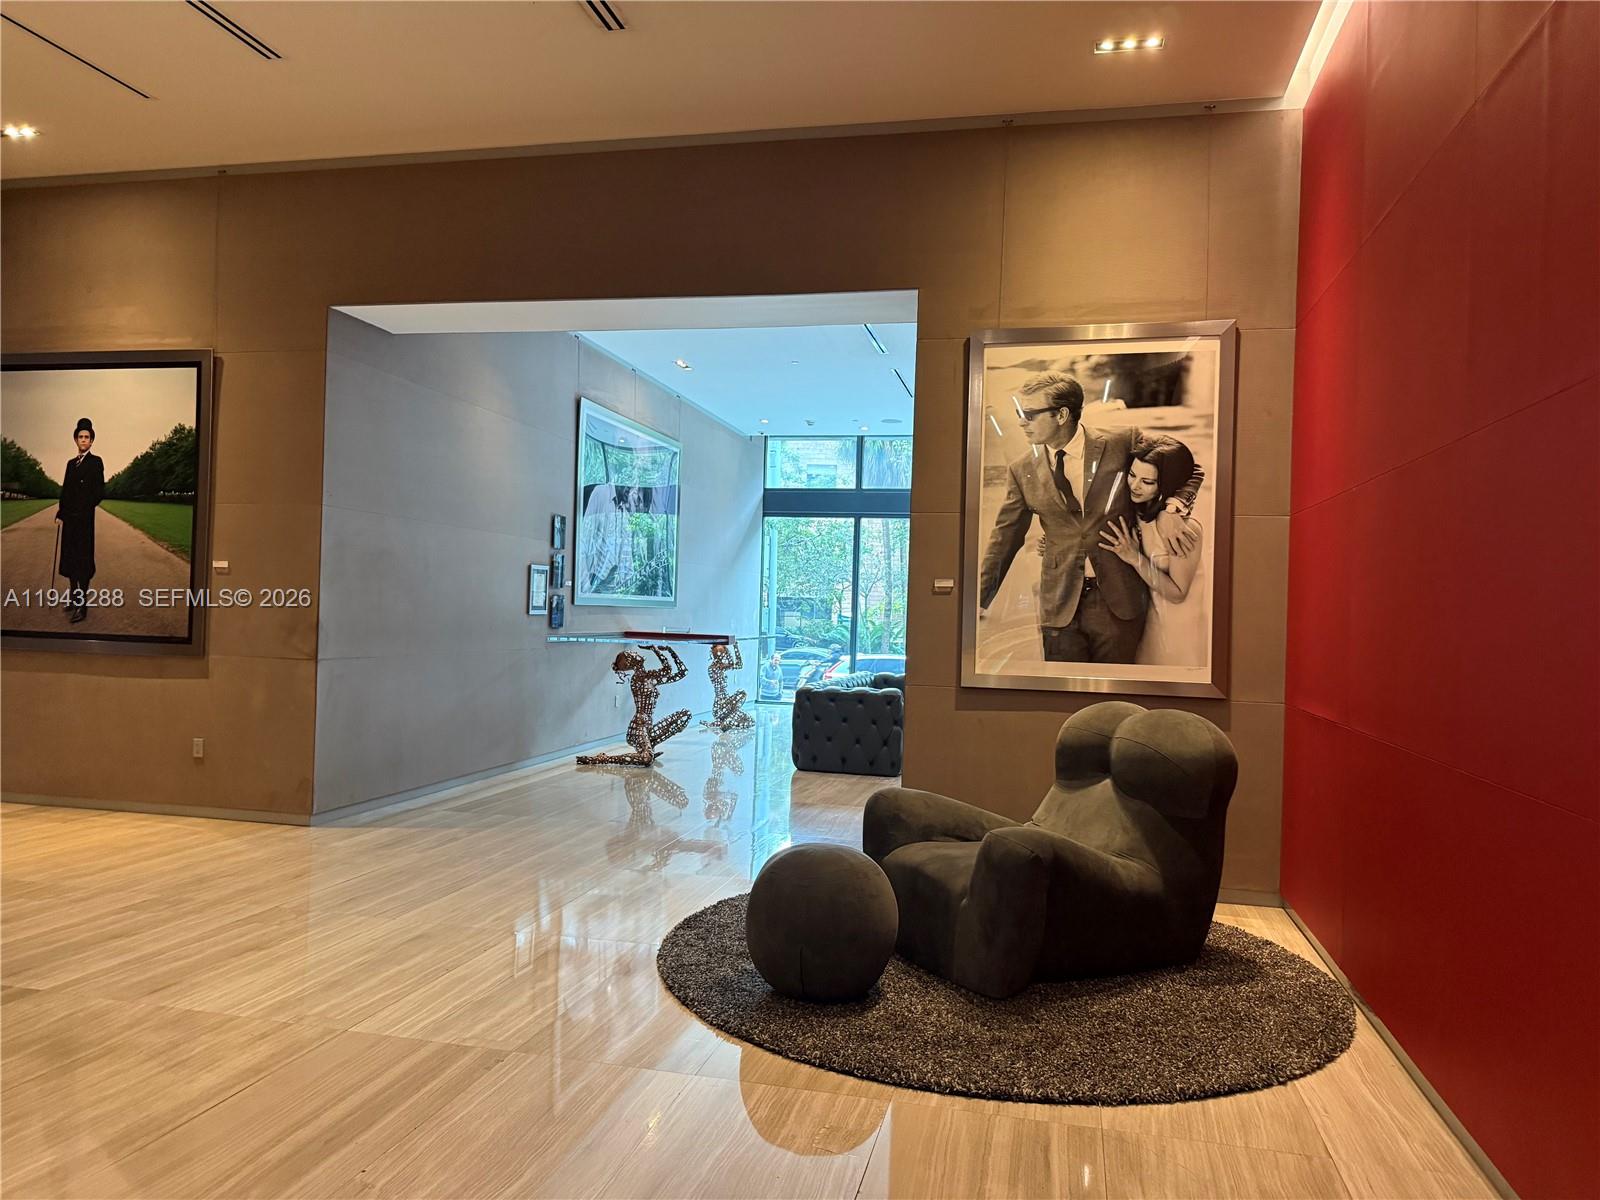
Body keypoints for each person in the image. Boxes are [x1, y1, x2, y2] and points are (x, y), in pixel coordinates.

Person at [977, 373, 1202, 664]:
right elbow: (1004, 537)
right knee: (1062, 697)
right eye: (1020, 414)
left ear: (1061, 414)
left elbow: (1188, 468)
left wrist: (1173, 508)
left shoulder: (1122, 442)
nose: (1022, 422)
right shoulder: (1021, 470)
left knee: (1115, 698)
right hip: (1058, 606)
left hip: (1119, 601)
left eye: (1030, 414)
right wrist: (979, 601)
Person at [1098, 442, 1206, 668]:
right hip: (1148, 622)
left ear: (1167, 485)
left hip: (1178, 630)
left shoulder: (1183, 529)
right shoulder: (1139, 511)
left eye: (1147, 482)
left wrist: (1133, 557)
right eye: (1132, 475)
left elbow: (1178, 593)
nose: (1134, 486)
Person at [55, 417, 104, 625]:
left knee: (83, 562)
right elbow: (65, 491)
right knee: (70, 560)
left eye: (87, 437)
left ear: (91, 441)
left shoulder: (96, 462)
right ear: (76, 440)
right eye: (80, 437)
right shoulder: (70, 464)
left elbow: (99, 492)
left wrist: (83, 510)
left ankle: (83, 606)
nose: (83, 440)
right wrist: (61, 512)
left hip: (84, 522)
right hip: (70, 523)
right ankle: (74, 599)